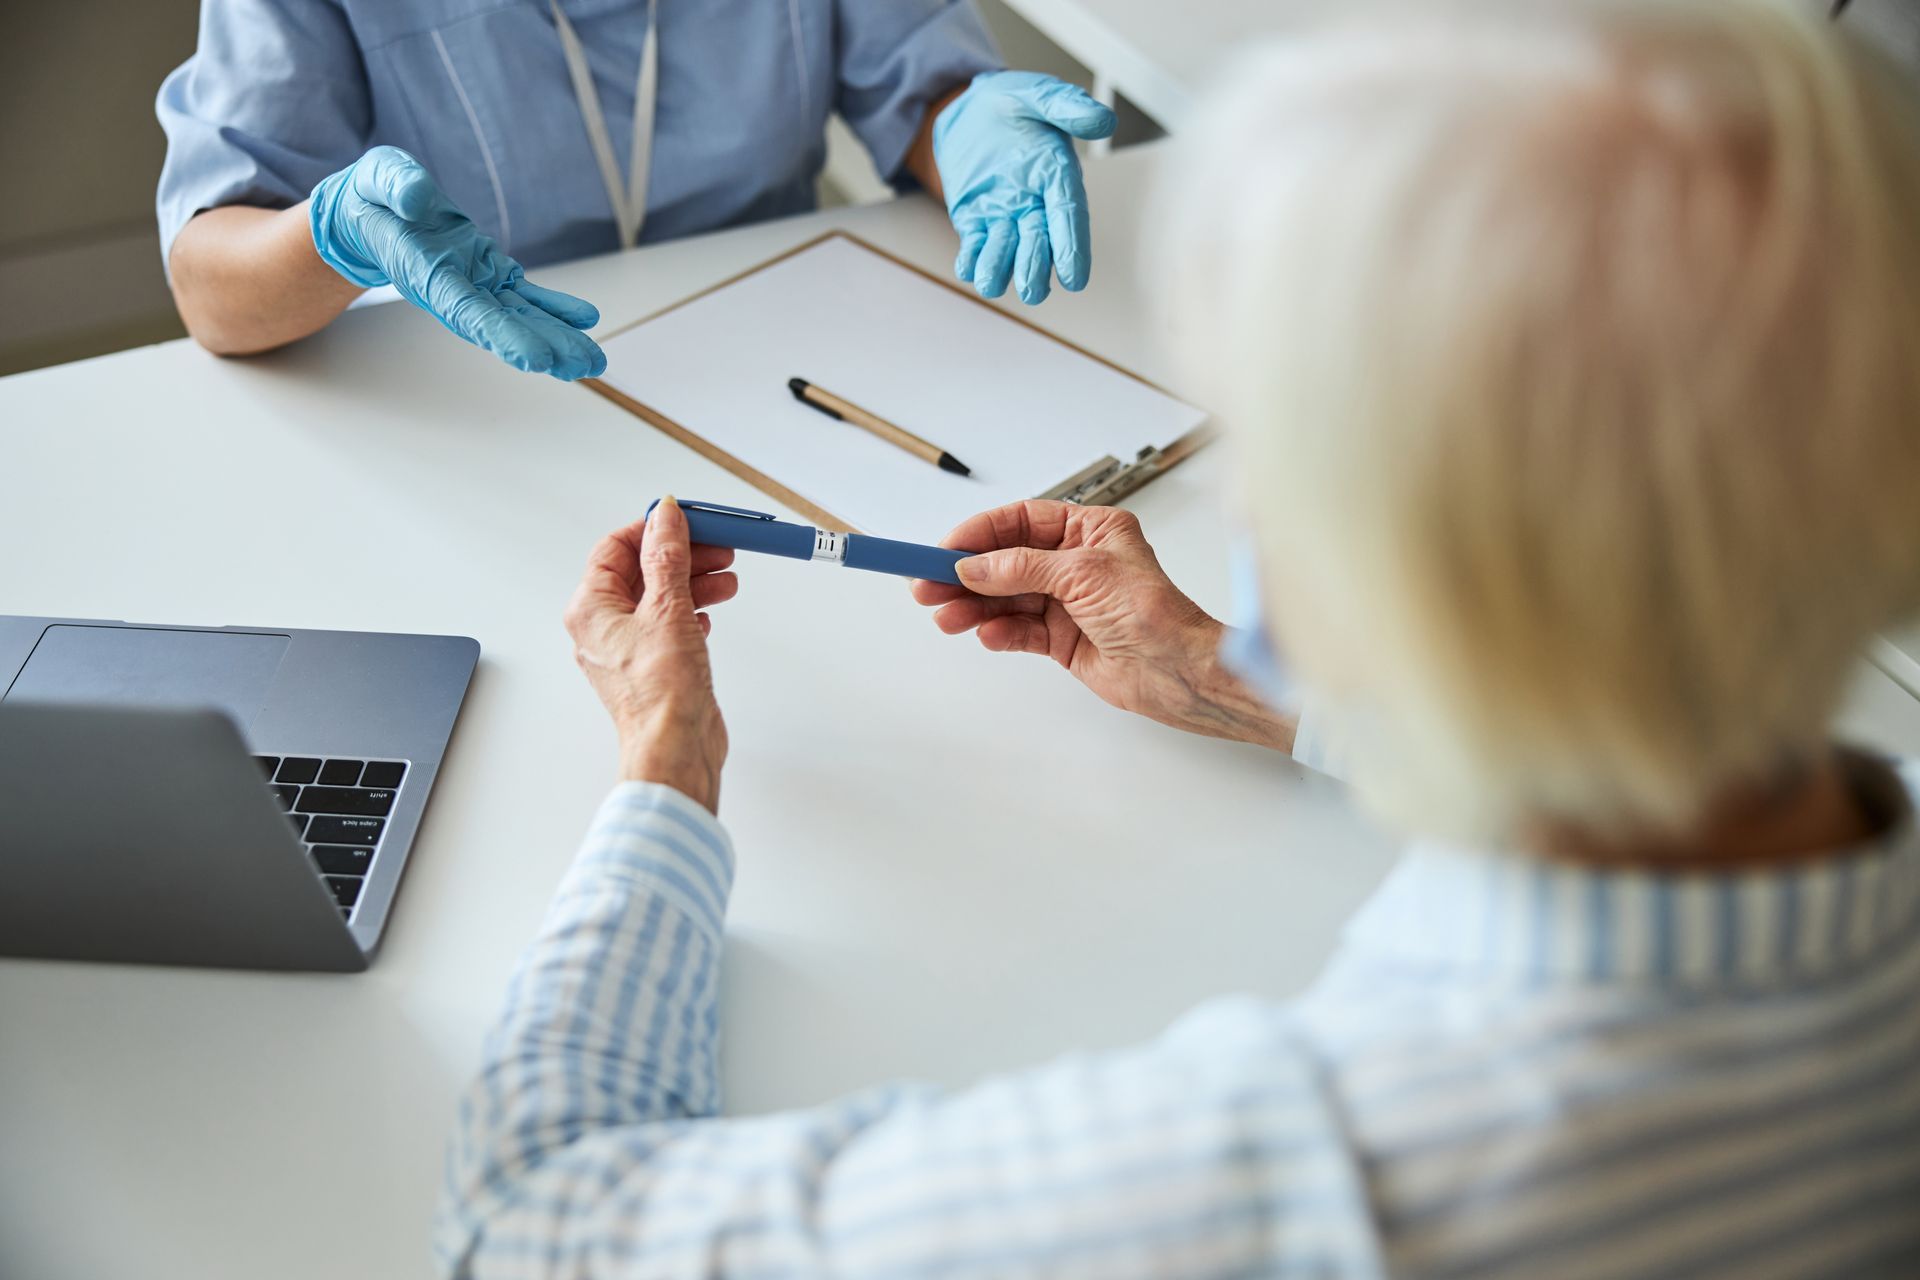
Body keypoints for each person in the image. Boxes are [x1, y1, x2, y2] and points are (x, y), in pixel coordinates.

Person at [435, 0, 1920, 1275]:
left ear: (1382, 560)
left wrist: (661, 767)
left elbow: (532, 1226)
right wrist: (1227, 679)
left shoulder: (1286, 1180)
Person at [155, 1, 1115, 379]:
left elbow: (916, 90)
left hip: (783, 351)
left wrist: (965, 126)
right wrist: (333, 236)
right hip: (471, 385)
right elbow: (213, 291)